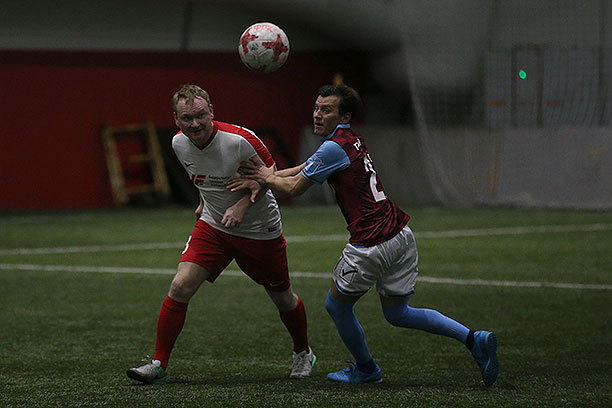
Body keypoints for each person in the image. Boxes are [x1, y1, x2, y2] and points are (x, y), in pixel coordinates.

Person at [231, 84, 499, 385]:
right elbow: (304, 167)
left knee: (336, 306)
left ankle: (367, 370)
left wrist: (266, 178)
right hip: (400, 234)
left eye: (326, 110)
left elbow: (293, 188)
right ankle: (474, 339)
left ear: (344, 116)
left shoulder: (332, 148)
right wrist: (265, 178)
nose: (317, 115)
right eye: (316, 108)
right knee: (398, 313)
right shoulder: (349, 139)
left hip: (371, 244)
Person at [126, 84, 315, 384]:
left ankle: (303, 352)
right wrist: (204, 201)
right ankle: (158, 364)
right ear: (176, 119)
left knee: (282, 298)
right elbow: (204, 176)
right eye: (187, 118)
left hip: (259, 231)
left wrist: (242, 205)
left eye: (200, 115)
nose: (195, 124)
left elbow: (273, 175)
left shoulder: (239, 141)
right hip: (214, 226)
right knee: (180, 285)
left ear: (212, 111)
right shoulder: (178, 144)